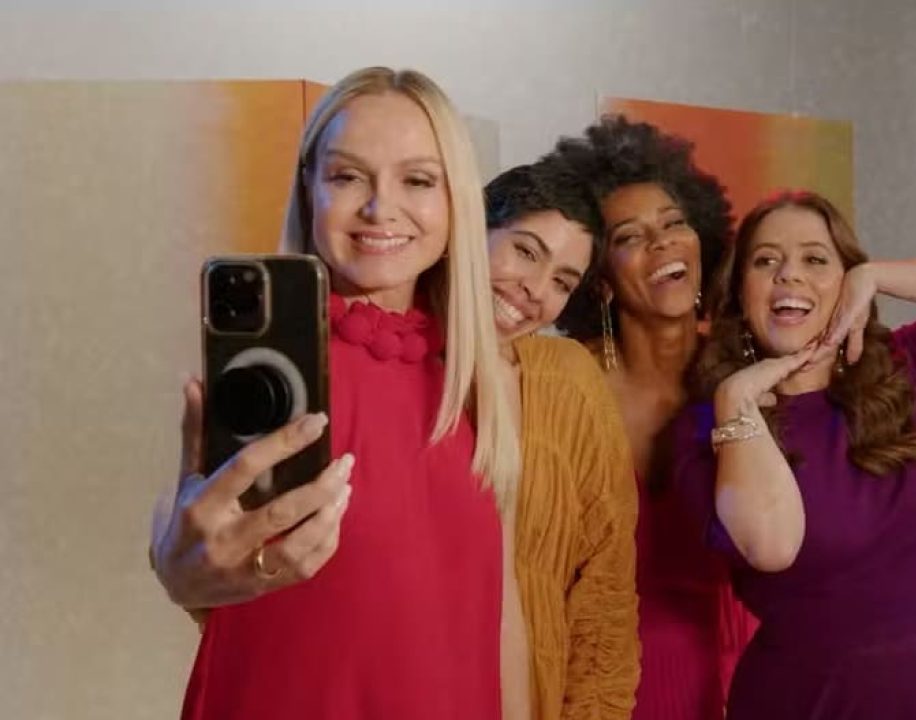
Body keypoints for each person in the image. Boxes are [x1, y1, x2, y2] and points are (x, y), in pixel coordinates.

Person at [151, 66, 520, 720]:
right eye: (347, 176)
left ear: (456, 199)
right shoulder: (266, 371)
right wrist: (182, 568)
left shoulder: (483, 375)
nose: (380, 208)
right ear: (309, 189)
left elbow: (500, 607)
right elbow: (197, 552)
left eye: (417, 180)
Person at [670, 190, 916, 719]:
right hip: (817, 702)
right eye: (766, 261)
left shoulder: (905, 367)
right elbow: (772, 546)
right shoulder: (707, 425)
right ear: (739, 293)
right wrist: (737, 400)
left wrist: (876, 275)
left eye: (816, 259)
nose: (789, 274)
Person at [550, 117, 753, 720]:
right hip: (607, 691)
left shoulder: (748, 377)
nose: (663, 243)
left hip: (747, 681)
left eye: (674, 224)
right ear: (600, 281)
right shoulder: (562, 387)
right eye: (630, 236)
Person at [483, 162, 641, 719]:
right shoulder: (388, 365)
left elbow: (606, 589)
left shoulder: (570, 380)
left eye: (562, 282)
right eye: (526, 251)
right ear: (472, 228)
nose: (535, 291)